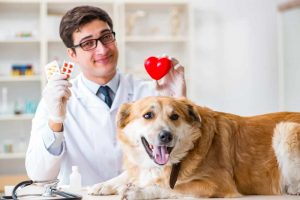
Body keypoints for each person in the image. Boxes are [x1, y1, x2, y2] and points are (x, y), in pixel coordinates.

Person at [25, 5, 186, 186]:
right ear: (72, 54)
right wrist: (55, 121)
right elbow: (39, 174)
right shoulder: (55, 101)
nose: (102, 49)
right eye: (87, 43)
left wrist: (179, 100)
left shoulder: (151, 93)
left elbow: (185, 162)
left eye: (106, 37)